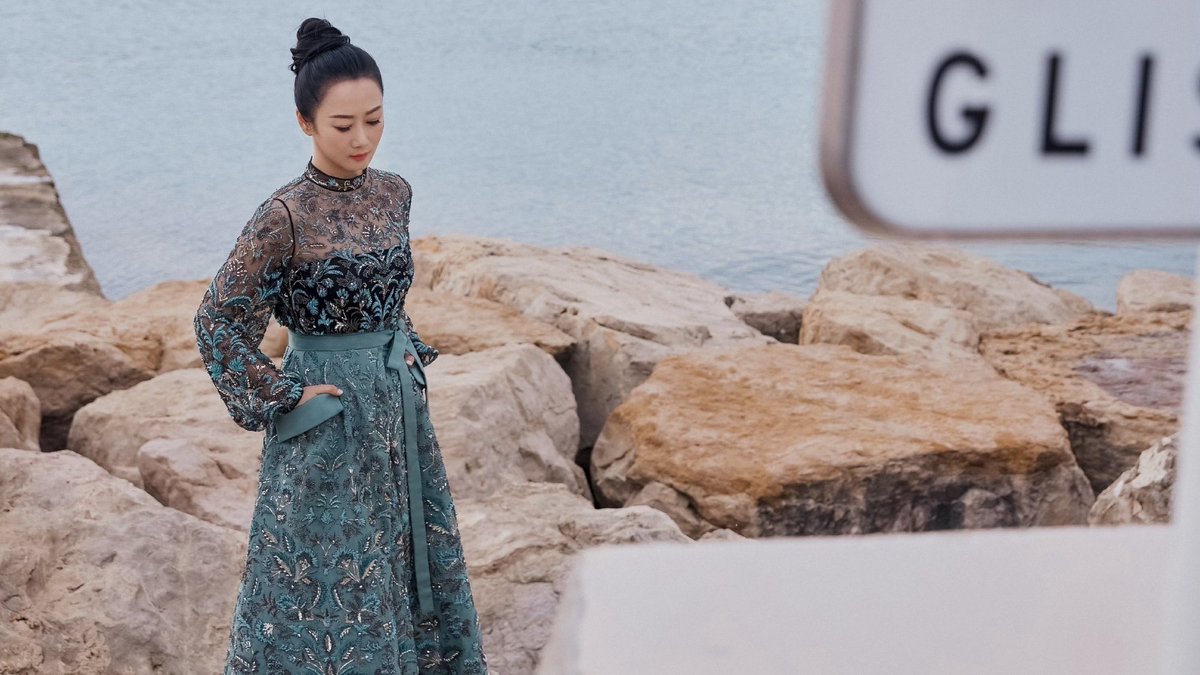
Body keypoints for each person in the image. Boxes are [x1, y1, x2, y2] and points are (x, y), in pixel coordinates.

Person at [193, 17, 489, 674]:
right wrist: (285, 394)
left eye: (375, 120)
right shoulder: (285, 214)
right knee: (329, 582)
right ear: (305, 123)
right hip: (326, 416)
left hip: (397, 410)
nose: (362, 139)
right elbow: (216, 320)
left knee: (401, 560)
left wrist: (407, 349)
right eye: (343, 125)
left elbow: (387, 290)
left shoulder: (395, 193)